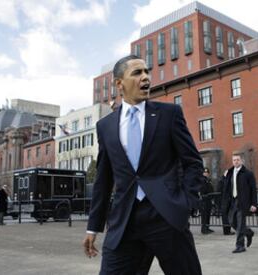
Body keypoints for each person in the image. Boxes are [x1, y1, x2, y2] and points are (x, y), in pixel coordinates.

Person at [82, 55, 203, 275]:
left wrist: (185, 203)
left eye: (147, 72)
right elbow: (103, 179)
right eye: (137, 73)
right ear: (119, 83)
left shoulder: (169, 115)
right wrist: (93, 226)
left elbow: (193, 163)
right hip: (124, 222)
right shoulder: (105, 126)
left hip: (166, 218)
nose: (145, 77)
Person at [221, 154, 257, 253]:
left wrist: (254, 204)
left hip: (243, 202)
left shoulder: (248, 173)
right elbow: (224, 186)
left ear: (242, 161)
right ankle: (248, 232)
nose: (236, 161)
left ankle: (240, 246)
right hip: (232, 201)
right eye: (234, 160)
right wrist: (224, 177)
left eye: (237, 160)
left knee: (240, 224)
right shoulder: (229, 172)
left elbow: (253, 190)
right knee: (232, 222)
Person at [200, 168, 214, 234]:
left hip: (208, 199)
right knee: (204, 215)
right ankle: (204, 229)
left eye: (207, 172)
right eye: (205, 172)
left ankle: (207, 228)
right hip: (204, 199)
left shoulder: (208, 180)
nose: (206, 173)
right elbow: (203, 189)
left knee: (208, 214)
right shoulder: (202, 180)